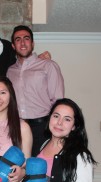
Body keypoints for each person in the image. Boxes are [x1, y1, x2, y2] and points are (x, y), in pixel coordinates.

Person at [7, 25, 64, 157]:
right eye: (18, 39)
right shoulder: (10, 71)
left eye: (26, 39)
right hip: (17, 128)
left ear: (32, 44)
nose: (22, 42)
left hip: (42, 128)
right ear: (13, 46)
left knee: (40, 170)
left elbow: (58, 101)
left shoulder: (48, 65)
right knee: (18, 168)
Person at [37, 98, 97, 182]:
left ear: (74, 126)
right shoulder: (43, 144)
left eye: (67, 119)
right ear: (50, 118)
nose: (59, 122)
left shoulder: (80, 156)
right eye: (56, 116)